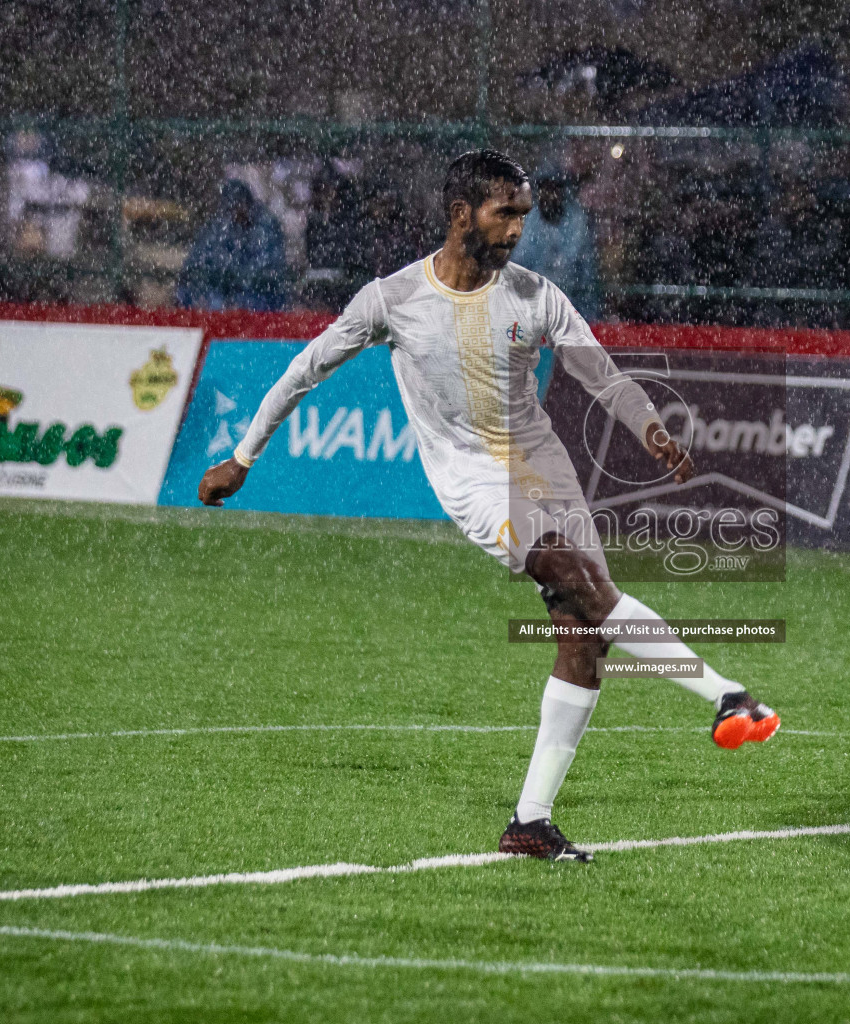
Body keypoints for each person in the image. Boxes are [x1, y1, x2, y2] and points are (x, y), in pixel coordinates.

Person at [196, 150, 780, 863]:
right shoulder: (392, 299)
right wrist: (244, 457)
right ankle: (725, 693)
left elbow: (603, 374)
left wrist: (648, 427)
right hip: (472, 482)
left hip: (544, 468)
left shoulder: (535, 296)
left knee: (584, 634)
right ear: (458, 214)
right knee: (591, 590)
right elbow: (303, 372)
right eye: (504, 214)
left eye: (523, 216)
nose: (516, 231)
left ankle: (531, 822)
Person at [176, 179, 290, 312]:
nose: (233, 212)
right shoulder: (224, 226)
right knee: (194, 295)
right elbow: (202, 256)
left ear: (247, 204)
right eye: (229, 208)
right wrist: (206, 274)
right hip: (226, 290)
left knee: (243, 300)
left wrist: (236, 276)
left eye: (237, 206)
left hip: (261, 293)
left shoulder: (267, 226)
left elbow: (268, 267)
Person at [509, 168, 603, 321]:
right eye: (544, 189)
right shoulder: (527, 223)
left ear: (563, 193)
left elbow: (586, 273)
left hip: (573, 307)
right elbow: (518, 267)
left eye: (554, 189)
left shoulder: (577, 221)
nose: (549, 195)